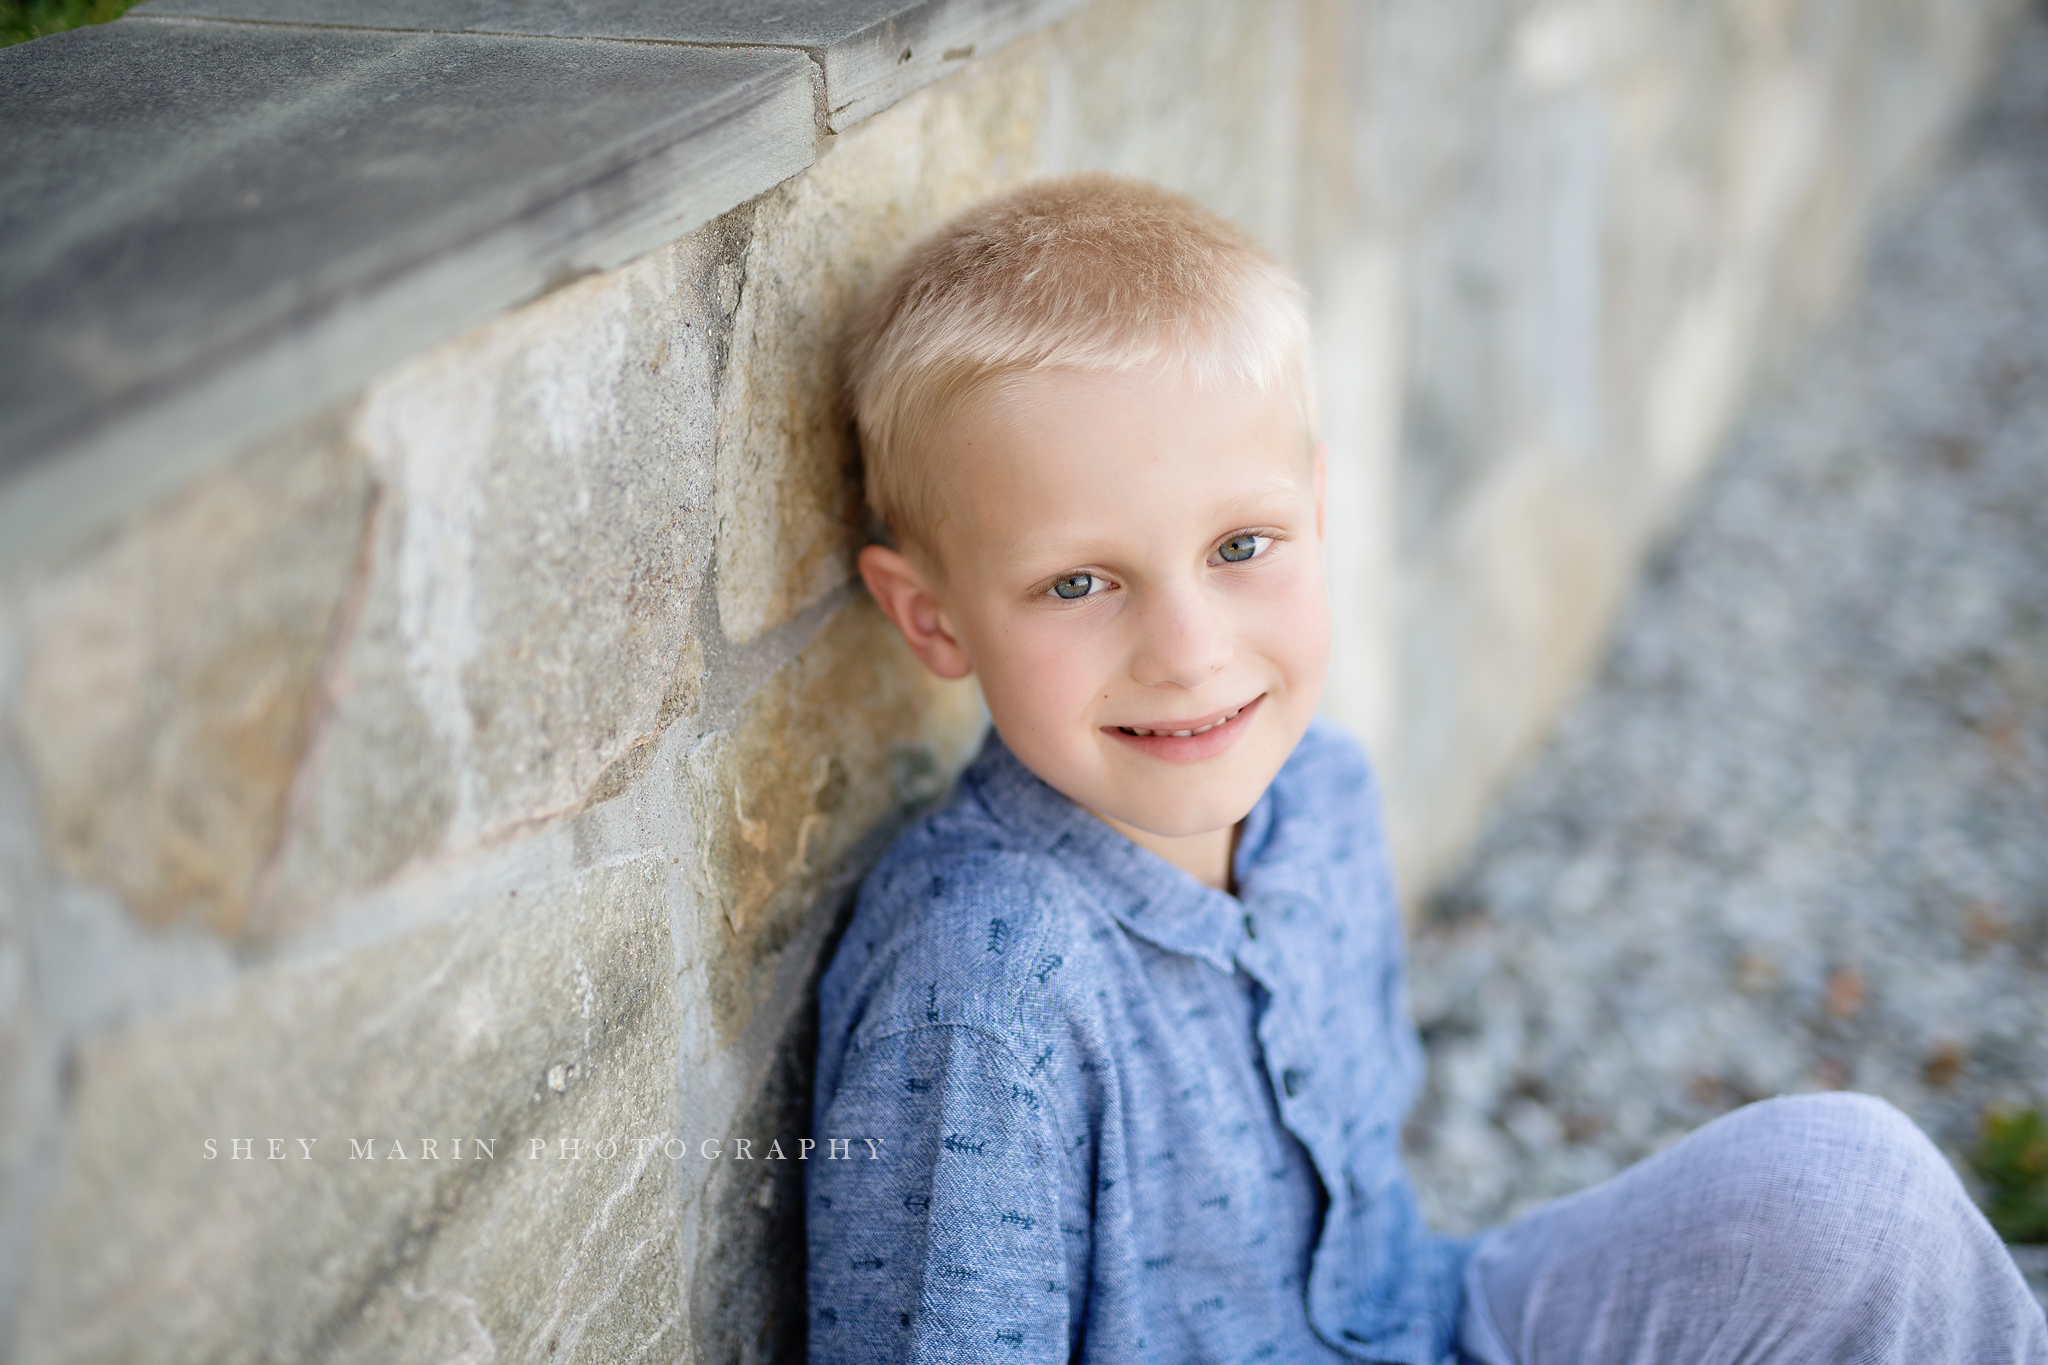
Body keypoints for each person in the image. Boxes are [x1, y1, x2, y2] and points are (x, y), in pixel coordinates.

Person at [803, 172, 2047, 1365]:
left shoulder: (1316, 797)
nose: (1187, 653)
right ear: (933, 620)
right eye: (1078, 582)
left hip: (1423, 1315)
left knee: (1855, 1193)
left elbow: (1370, 1191)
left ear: (1316, 505)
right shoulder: (986, 989)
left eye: (1241, 544)